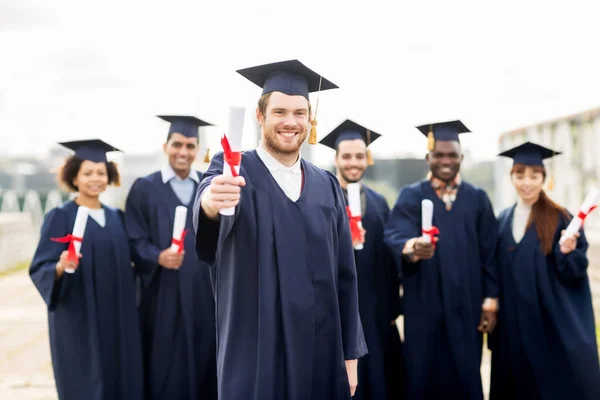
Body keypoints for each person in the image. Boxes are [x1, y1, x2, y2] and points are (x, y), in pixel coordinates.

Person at [193, 59, 367, 400]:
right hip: (255, 353)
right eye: (279, 112)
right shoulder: (232, 169)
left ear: (309, 120)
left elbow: (345, 277)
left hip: (321, 350)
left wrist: (350, 356)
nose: (290, 122)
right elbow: (210, 203)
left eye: (300, 113)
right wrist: (212, 202)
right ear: (260, 117)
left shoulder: (327, 185)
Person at [383, 120, 499, 400]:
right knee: (423, 377)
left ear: (461, 157)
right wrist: (412, 247)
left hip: (467, 306)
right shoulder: (411, 196)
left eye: (452, 155)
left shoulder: (477, 199)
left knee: (465, 374)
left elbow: (490, 253)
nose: (445, 160)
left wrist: (490, 302)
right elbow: (394, 234)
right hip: (424, 306)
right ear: (428, 157)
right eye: (439, 155)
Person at [29, 139, 143, 400]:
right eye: (88, 173)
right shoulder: (60, 216)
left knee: (120, 375)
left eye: (101, 173)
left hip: (118, 316)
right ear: (75, 177)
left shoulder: (117, 217)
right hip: (81, 317)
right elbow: (40, 267)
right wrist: (60, 265)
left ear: (109, 176)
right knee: (87, 380)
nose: (96, 179)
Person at [489, 141, 600, 399]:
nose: (526, 182)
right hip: (512, 326)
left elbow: (574, 273)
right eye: (520, 175)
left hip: (547, 325)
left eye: (534, 176)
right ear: (511, 177)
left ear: (544, 178)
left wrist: (568, 252)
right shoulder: (502, 219)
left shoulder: (560, 218)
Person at [124, 116, 217, 400]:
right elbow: (133, 238)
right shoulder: (145, 188)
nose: (183, 152)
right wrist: (157, 256)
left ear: (198, 150)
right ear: (165, 146)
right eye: (177, 144)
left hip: (204, 294)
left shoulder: (209, 187)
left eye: (190, 146)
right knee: (167, 366)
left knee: (206, 361)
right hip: (163, 296)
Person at [319, 119, 405, 400]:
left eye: (359, 156)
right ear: (336, 158)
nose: (353, 163)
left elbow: (391, 261)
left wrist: (392, 309)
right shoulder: (322, 199)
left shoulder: (380, 202)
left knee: (379, 381)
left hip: (375, 312)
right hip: (336, 311)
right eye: (347, 156)